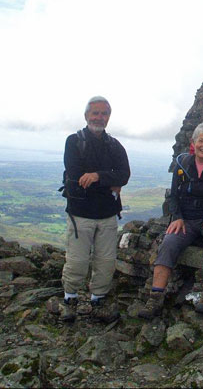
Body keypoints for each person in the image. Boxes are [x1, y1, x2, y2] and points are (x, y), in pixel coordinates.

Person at [138, 122, 203, 319]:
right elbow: (173, 196)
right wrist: (178, 218)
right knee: (170, 240)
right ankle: (155, 298)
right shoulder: (182, 165)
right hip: (186, 219)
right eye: (201, 140)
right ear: (193, 142)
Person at [60, 96, 130, 323]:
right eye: (96, 113)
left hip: (107, 213)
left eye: (104, 113)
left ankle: (97, 300)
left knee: (106, 261)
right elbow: (75, 173)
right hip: (81, 213)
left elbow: (124, 175)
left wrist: (97, 176)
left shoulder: (114, 145)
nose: (100, 117)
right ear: (86, 115)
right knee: (77, 260)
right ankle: (70, 300)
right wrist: (109, 180)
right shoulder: (74, 142)